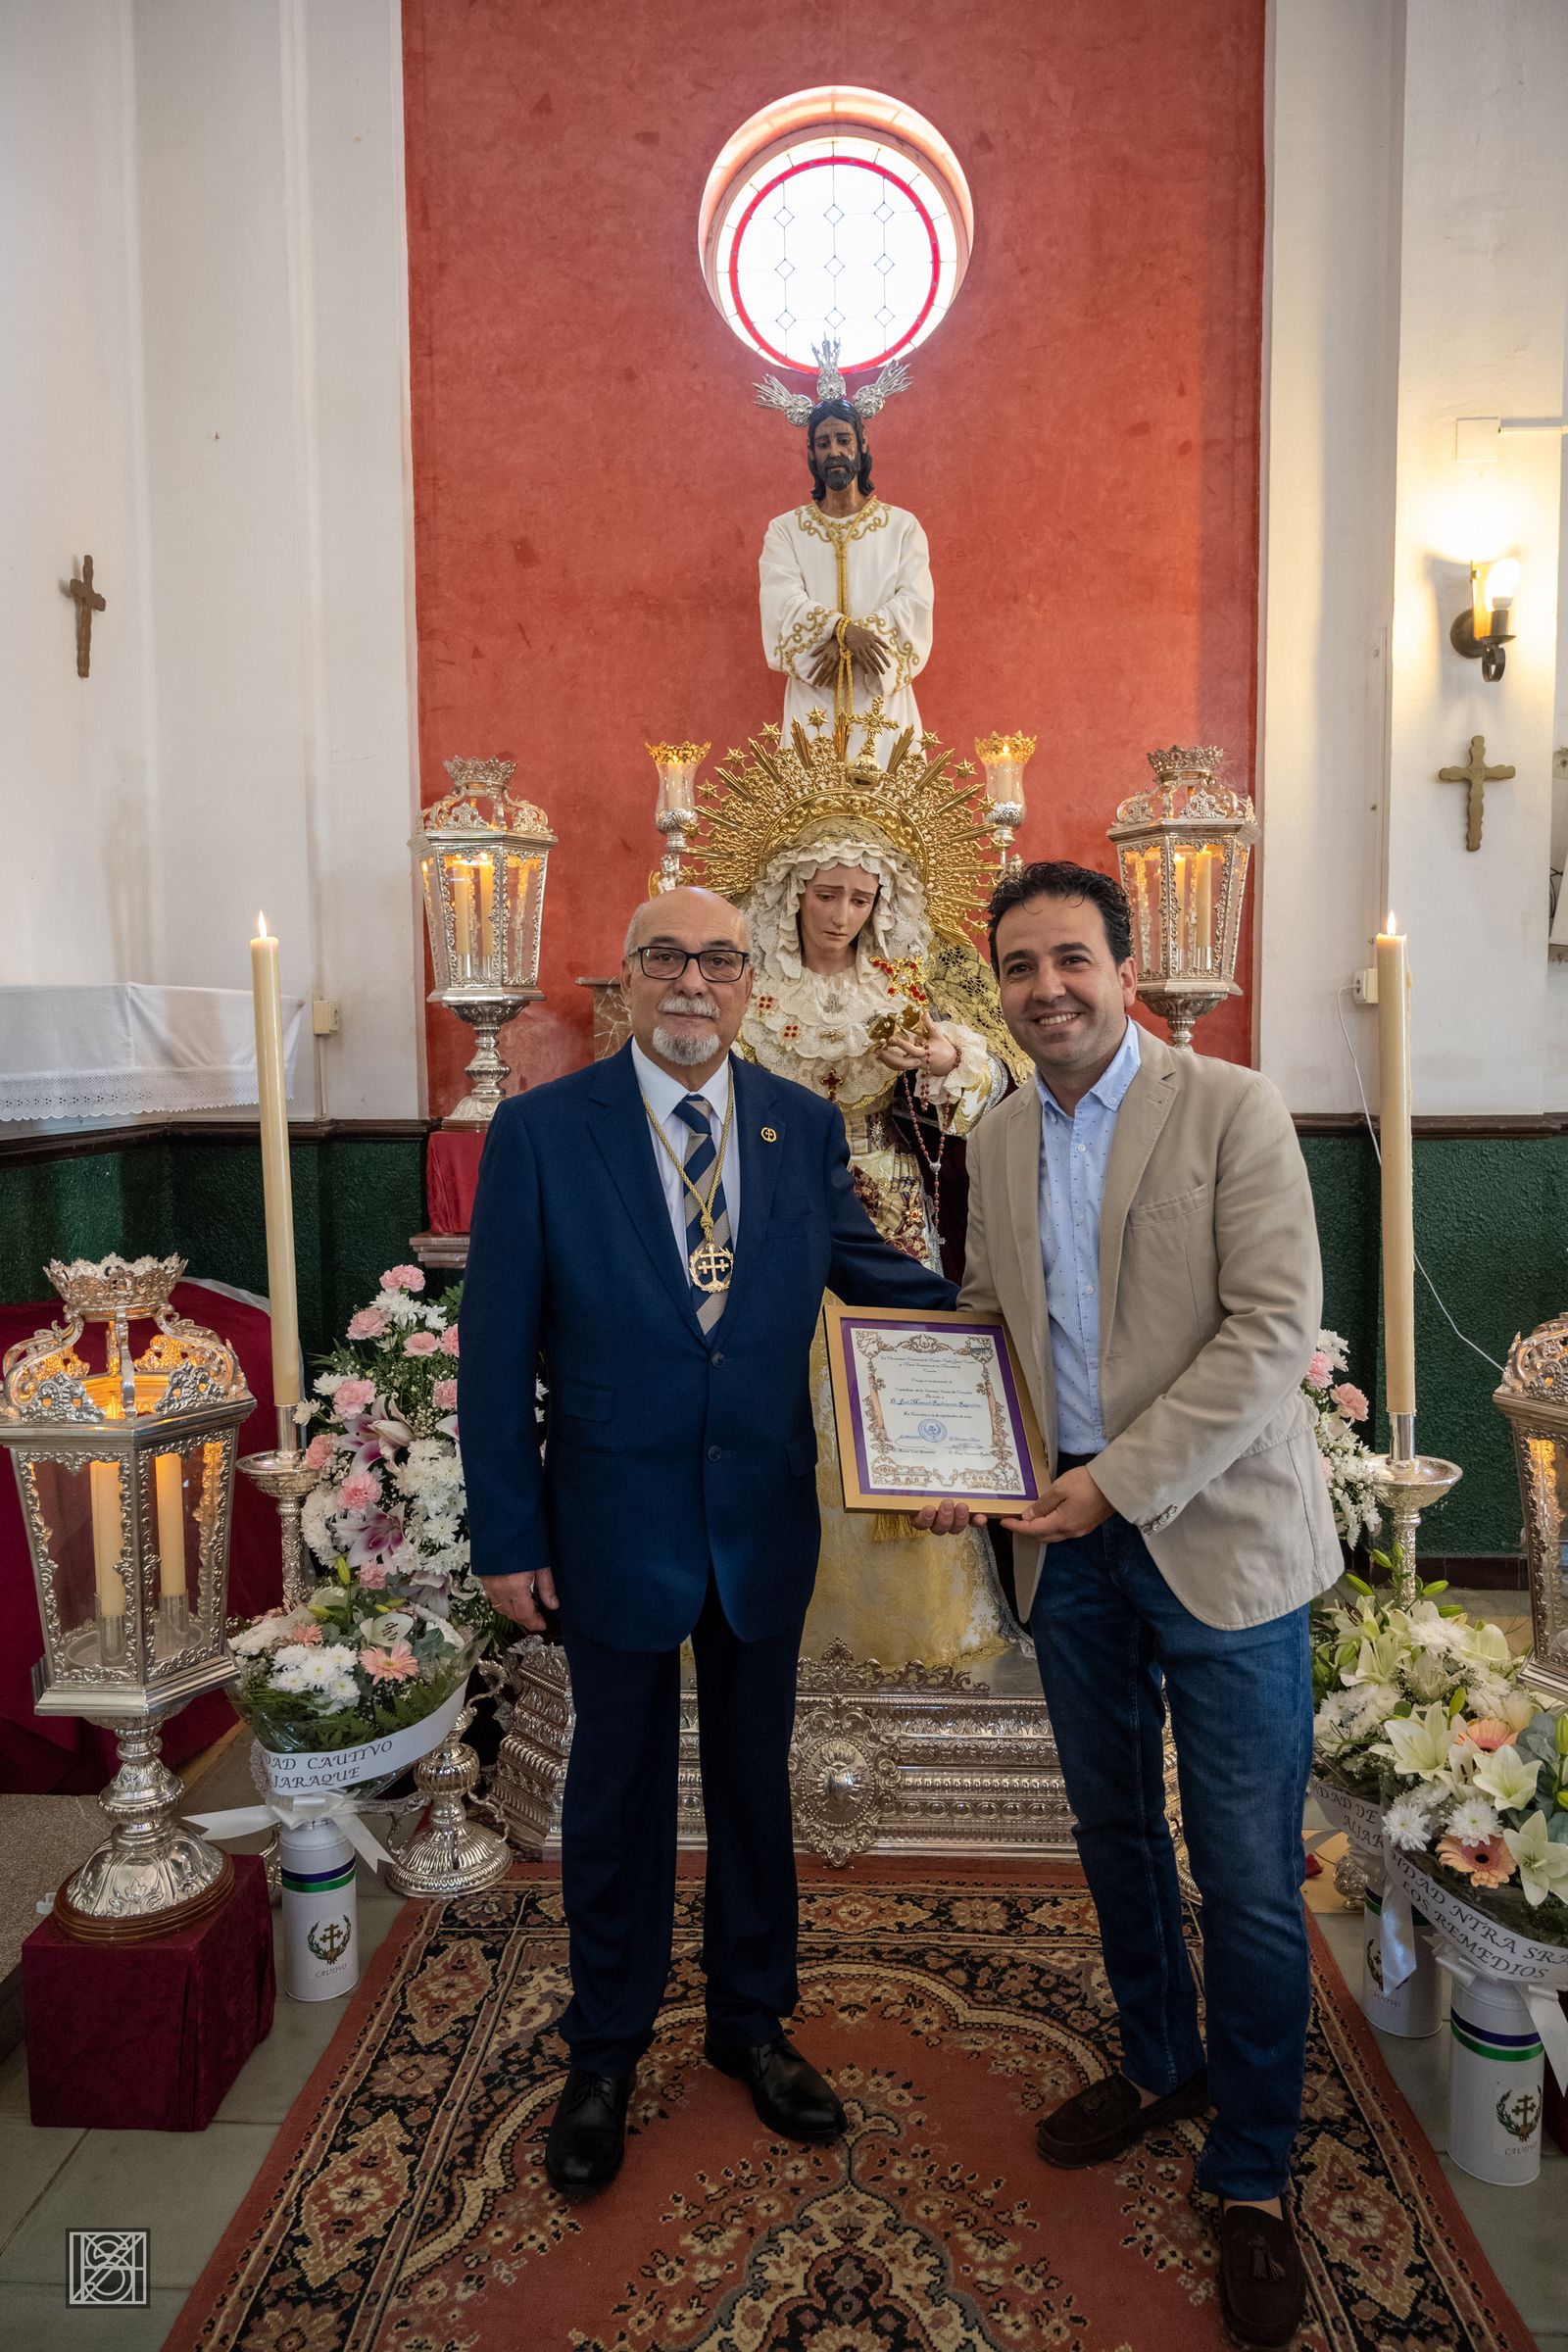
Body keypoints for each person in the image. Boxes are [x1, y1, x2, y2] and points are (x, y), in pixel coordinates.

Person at [458, 885, 956, 2201]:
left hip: (760, 1521)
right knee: (613, 1795)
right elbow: (494, 1351)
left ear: (750, 984)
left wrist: (1010, 1331)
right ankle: (605, 2049)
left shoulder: (797, 1125)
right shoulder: (542, 1133)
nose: (692, 981)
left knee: (751, 1785)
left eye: (719, 960)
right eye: (665, 956)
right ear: (625, 980)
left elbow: (886, 1276)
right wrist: (505, 1533)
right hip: (609, 1525)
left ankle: (751, 2021)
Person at [919, 859, 1340, 2351]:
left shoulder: (1233, 1109)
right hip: (1065, 1547)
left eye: (1073, 959)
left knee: (1241, 1866)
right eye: (1021, 967)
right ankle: (1164, 2060)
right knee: (1112, 1835)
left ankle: (1254, 2170)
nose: (1049, 989)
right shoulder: (996, 1135)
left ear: (1124, 965)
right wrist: (954, 1446)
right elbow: (982, 1318)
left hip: (1215, 1543)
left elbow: (1272, 1326)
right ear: (1001, 986)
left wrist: (1119, 1481)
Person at [740, 822, 1018, 1664]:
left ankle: (919, 1620)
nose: (842, 915)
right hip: (774, 1199)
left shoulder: (902, 981)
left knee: (897, 1383)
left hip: (888, 1204)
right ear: (794, 895)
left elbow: (998, 1075)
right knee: (781, 1388)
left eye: (861, 899)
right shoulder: (750, 987)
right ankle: (771, 1604)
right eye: (827, 895)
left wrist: (937, 1057)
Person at [756, 339, 931, 763]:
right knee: (805, 825)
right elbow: (780, 602)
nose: (833, 451)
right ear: (811, 455)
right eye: (823, 443)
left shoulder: (901, 527)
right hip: (813, 695)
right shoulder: (785, 531)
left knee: (893, 821)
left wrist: (849, 642)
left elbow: (915, 604)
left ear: (861, 445)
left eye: (842, 439)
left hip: (881, 700)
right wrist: (839, 628)